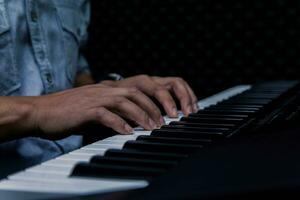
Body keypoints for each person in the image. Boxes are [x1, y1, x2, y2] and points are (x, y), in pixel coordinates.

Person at [0, 0, 198, 177]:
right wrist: (38, 111)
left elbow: (74, 71)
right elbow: (50, 107)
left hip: (71, 168)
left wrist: (107, 92)